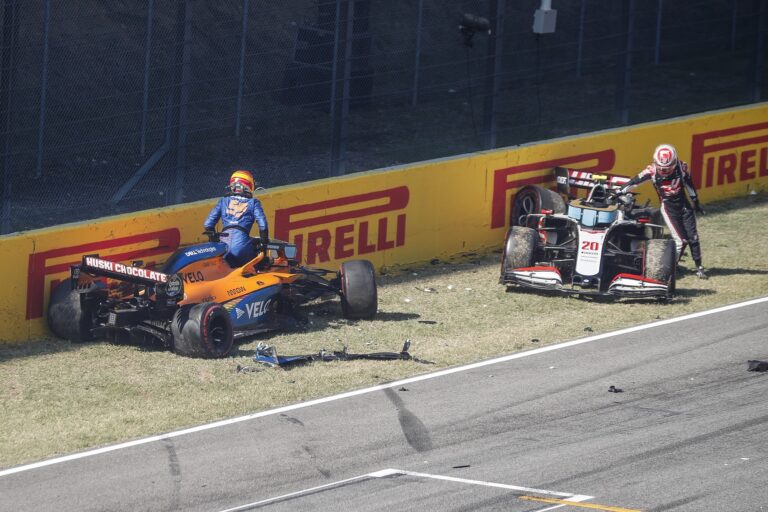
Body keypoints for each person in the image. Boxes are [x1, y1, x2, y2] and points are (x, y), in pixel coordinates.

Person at [619, 144, 707, 279]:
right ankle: (670, 268)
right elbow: (634, 181)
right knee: (681, 241)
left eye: (668, 168)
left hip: (684, 206)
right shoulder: (651, 171)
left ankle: (699, 267)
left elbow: (689, 184)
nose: (665, 172)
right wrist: (619, 191)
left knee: (693, 238)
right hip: (668, 208)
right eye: (662, 168)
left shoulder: (682, 167)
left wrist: (696, 202)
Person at [203, 170, 269, 268]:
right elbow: (263, 225)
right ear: (249, 186)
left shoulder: (223, 201)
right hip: (242, 247)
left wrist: (215, 240)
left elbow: (208, 224)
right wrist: (263, 246)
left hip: (223, 247)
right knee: (262, 264)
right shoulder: (253, 203)